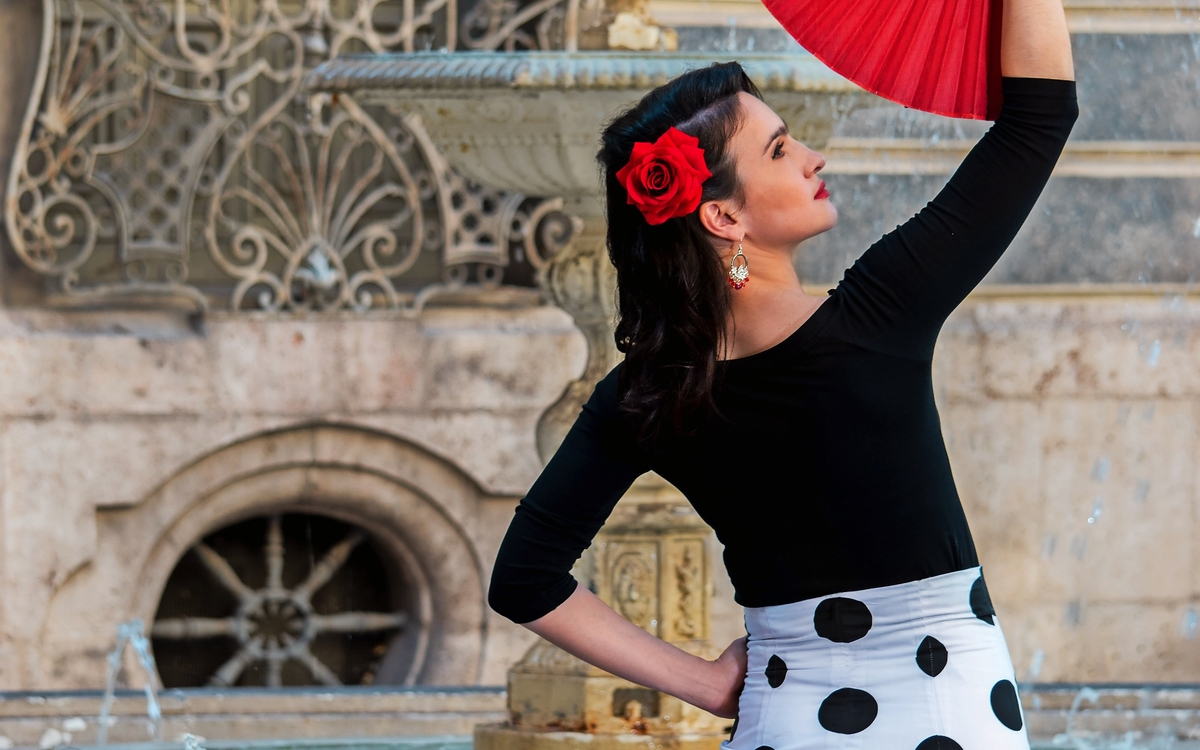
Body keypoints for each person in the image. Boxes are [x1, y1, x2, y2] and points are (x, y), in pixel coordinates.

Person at [487, 0, 1076, 742]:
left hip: (785, 715)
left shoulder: (648, 393)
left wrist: (703, 683)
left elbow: (524, 579)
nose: (811, 158)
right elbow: (1039, 117)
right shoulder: (882, 313)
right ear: (724, 218)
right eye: (779, 149)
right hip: (949, 710)